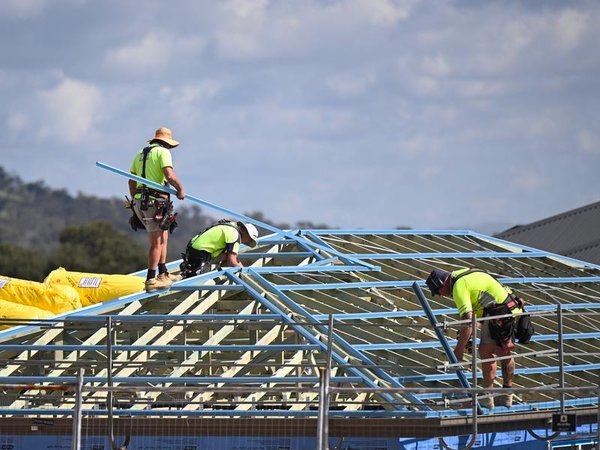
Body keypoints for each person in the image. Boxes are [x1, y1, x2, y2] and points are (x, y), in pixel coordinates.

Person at [425, 268, 525, 409]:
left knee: (486, 351)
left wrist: (458, 352)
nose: (440, 296)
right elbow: (478, 305)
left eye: (438, 292)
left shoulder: (459, 287)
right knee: (504, 351)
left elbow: (467, 321)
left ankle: (487, 397)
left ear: (442, 284)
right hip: (510, 307)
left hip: (499, 313)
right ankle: (507, 394)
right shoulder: (463, 274)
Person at [129, 127, 185, 292]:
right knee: (157, 242)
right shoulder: (163, 152)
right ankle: (151, 279)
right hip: (155, 202)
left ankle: (163, 274)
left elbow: (131, 182)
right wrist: (180, 190)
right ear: (166, 143)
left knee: (164, 237)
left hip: (142, 201)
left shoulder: (139, 154)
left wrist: (134, 201)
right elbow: (169, 175)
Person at [179, 220, 259, 278]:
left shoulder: (230, 227)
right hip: (200, 254)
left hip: (192, 250)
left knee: (227, 256)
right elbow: (232, 261)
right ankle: (215, 277)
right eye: (250, 239)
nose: (248, 242)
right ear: (246, 232)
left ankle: (216, 274)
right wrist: (244, 273)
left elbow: (231, 258)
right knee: (198, 280)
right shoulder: (235, 235)